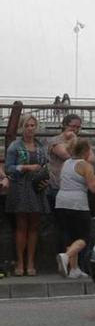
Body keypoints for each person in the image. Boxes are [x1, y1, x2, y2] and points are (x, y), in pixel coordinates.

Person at [5, 115, 51, 276]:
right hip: (20, 187)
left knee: (34, 227)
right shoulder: (14, 146)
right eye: (27, 126)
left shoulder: (40, 146)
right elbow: (8, 168)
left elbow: (46, 166)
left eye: (33, 125)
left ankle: (31, 261)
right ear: (22, 128)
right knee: (21, 226)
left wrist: (45, 179)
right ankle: (20, 262)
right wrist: (25, 167)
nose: (30, 128)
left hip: (37, 188)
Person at [55, 139, 95, 279]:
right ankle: (66, 256)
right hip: (77, 203)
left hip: (61, 202)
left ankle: (74, 269)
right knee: (84, 236)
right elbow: (93, 188)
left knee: (71, 235)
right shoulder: (85, 165)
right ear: (85, 151)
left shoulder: (66, 163)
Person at [47, 114, 82, 207]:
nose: (76, 130)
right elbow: (68, 156)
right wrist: (74, 139)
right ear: (65, 126)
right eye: (73, 126)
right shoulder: (55, 140)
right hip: (57, 185)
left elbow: (90, 159)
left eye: (78, 127)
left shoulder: (79, 142)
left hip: (74, 186)